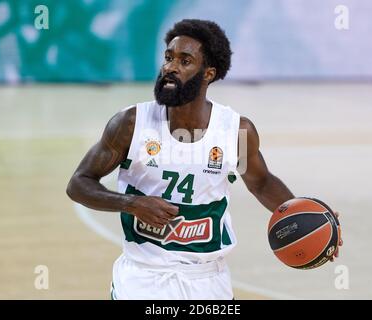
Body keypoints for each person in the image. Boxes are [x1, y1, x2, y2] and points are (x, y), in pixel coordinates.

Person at [66, 19, 342, 300]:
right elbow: (78, 183)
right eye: (168, 58)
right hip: (142, 275)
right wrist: (131, 203)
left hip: (208, 279)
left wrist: (310, 220)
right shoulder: (131, 123)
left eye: (185, 61)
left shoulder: (235, 131)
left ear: (208, 73)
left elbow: (261, 183)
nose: (170, 68)